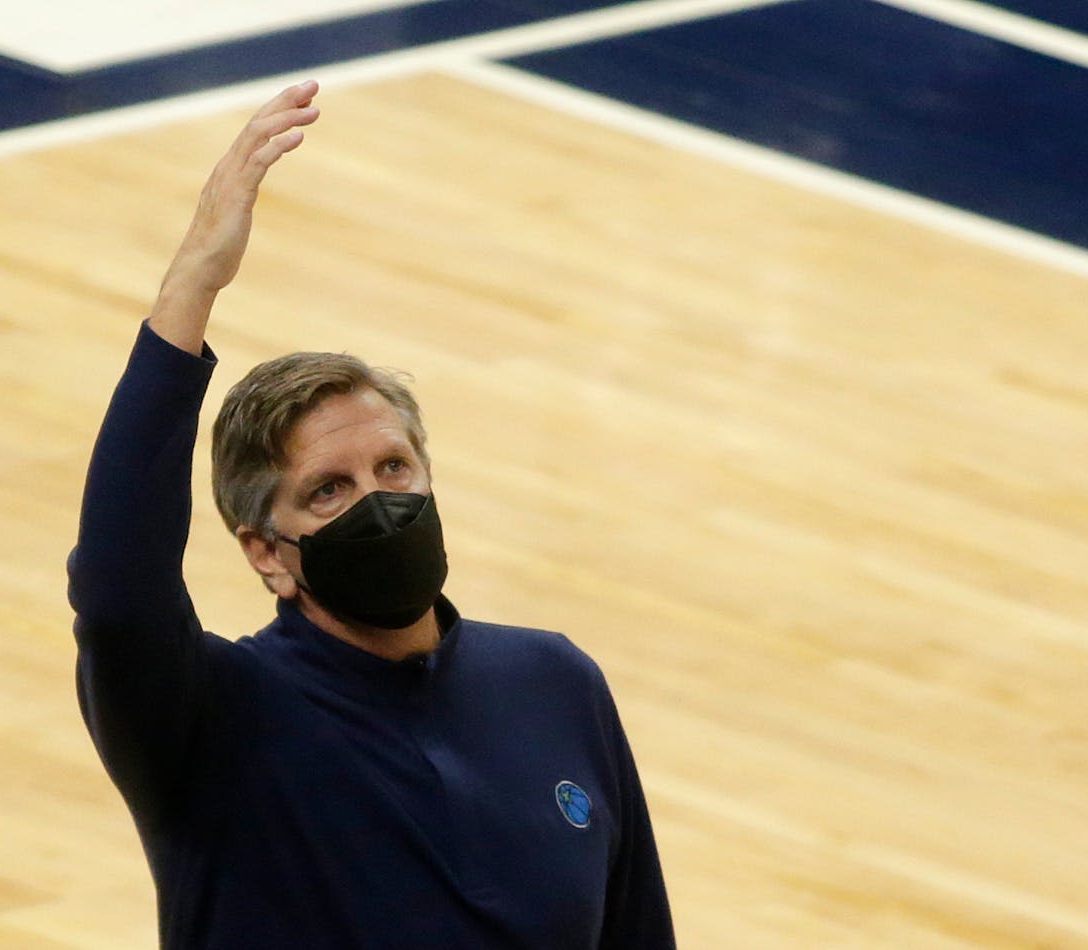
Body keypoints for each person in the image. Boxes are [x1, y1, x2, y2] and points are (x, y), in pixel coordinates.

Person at [67, 79, 676, 949]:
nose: (378, 503)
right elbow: (120, 593)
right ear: (266, 552)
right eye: (329, 489)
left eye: (394, 467)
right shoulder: (212, 719)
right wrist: (193, 283)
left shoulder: (553, 684)